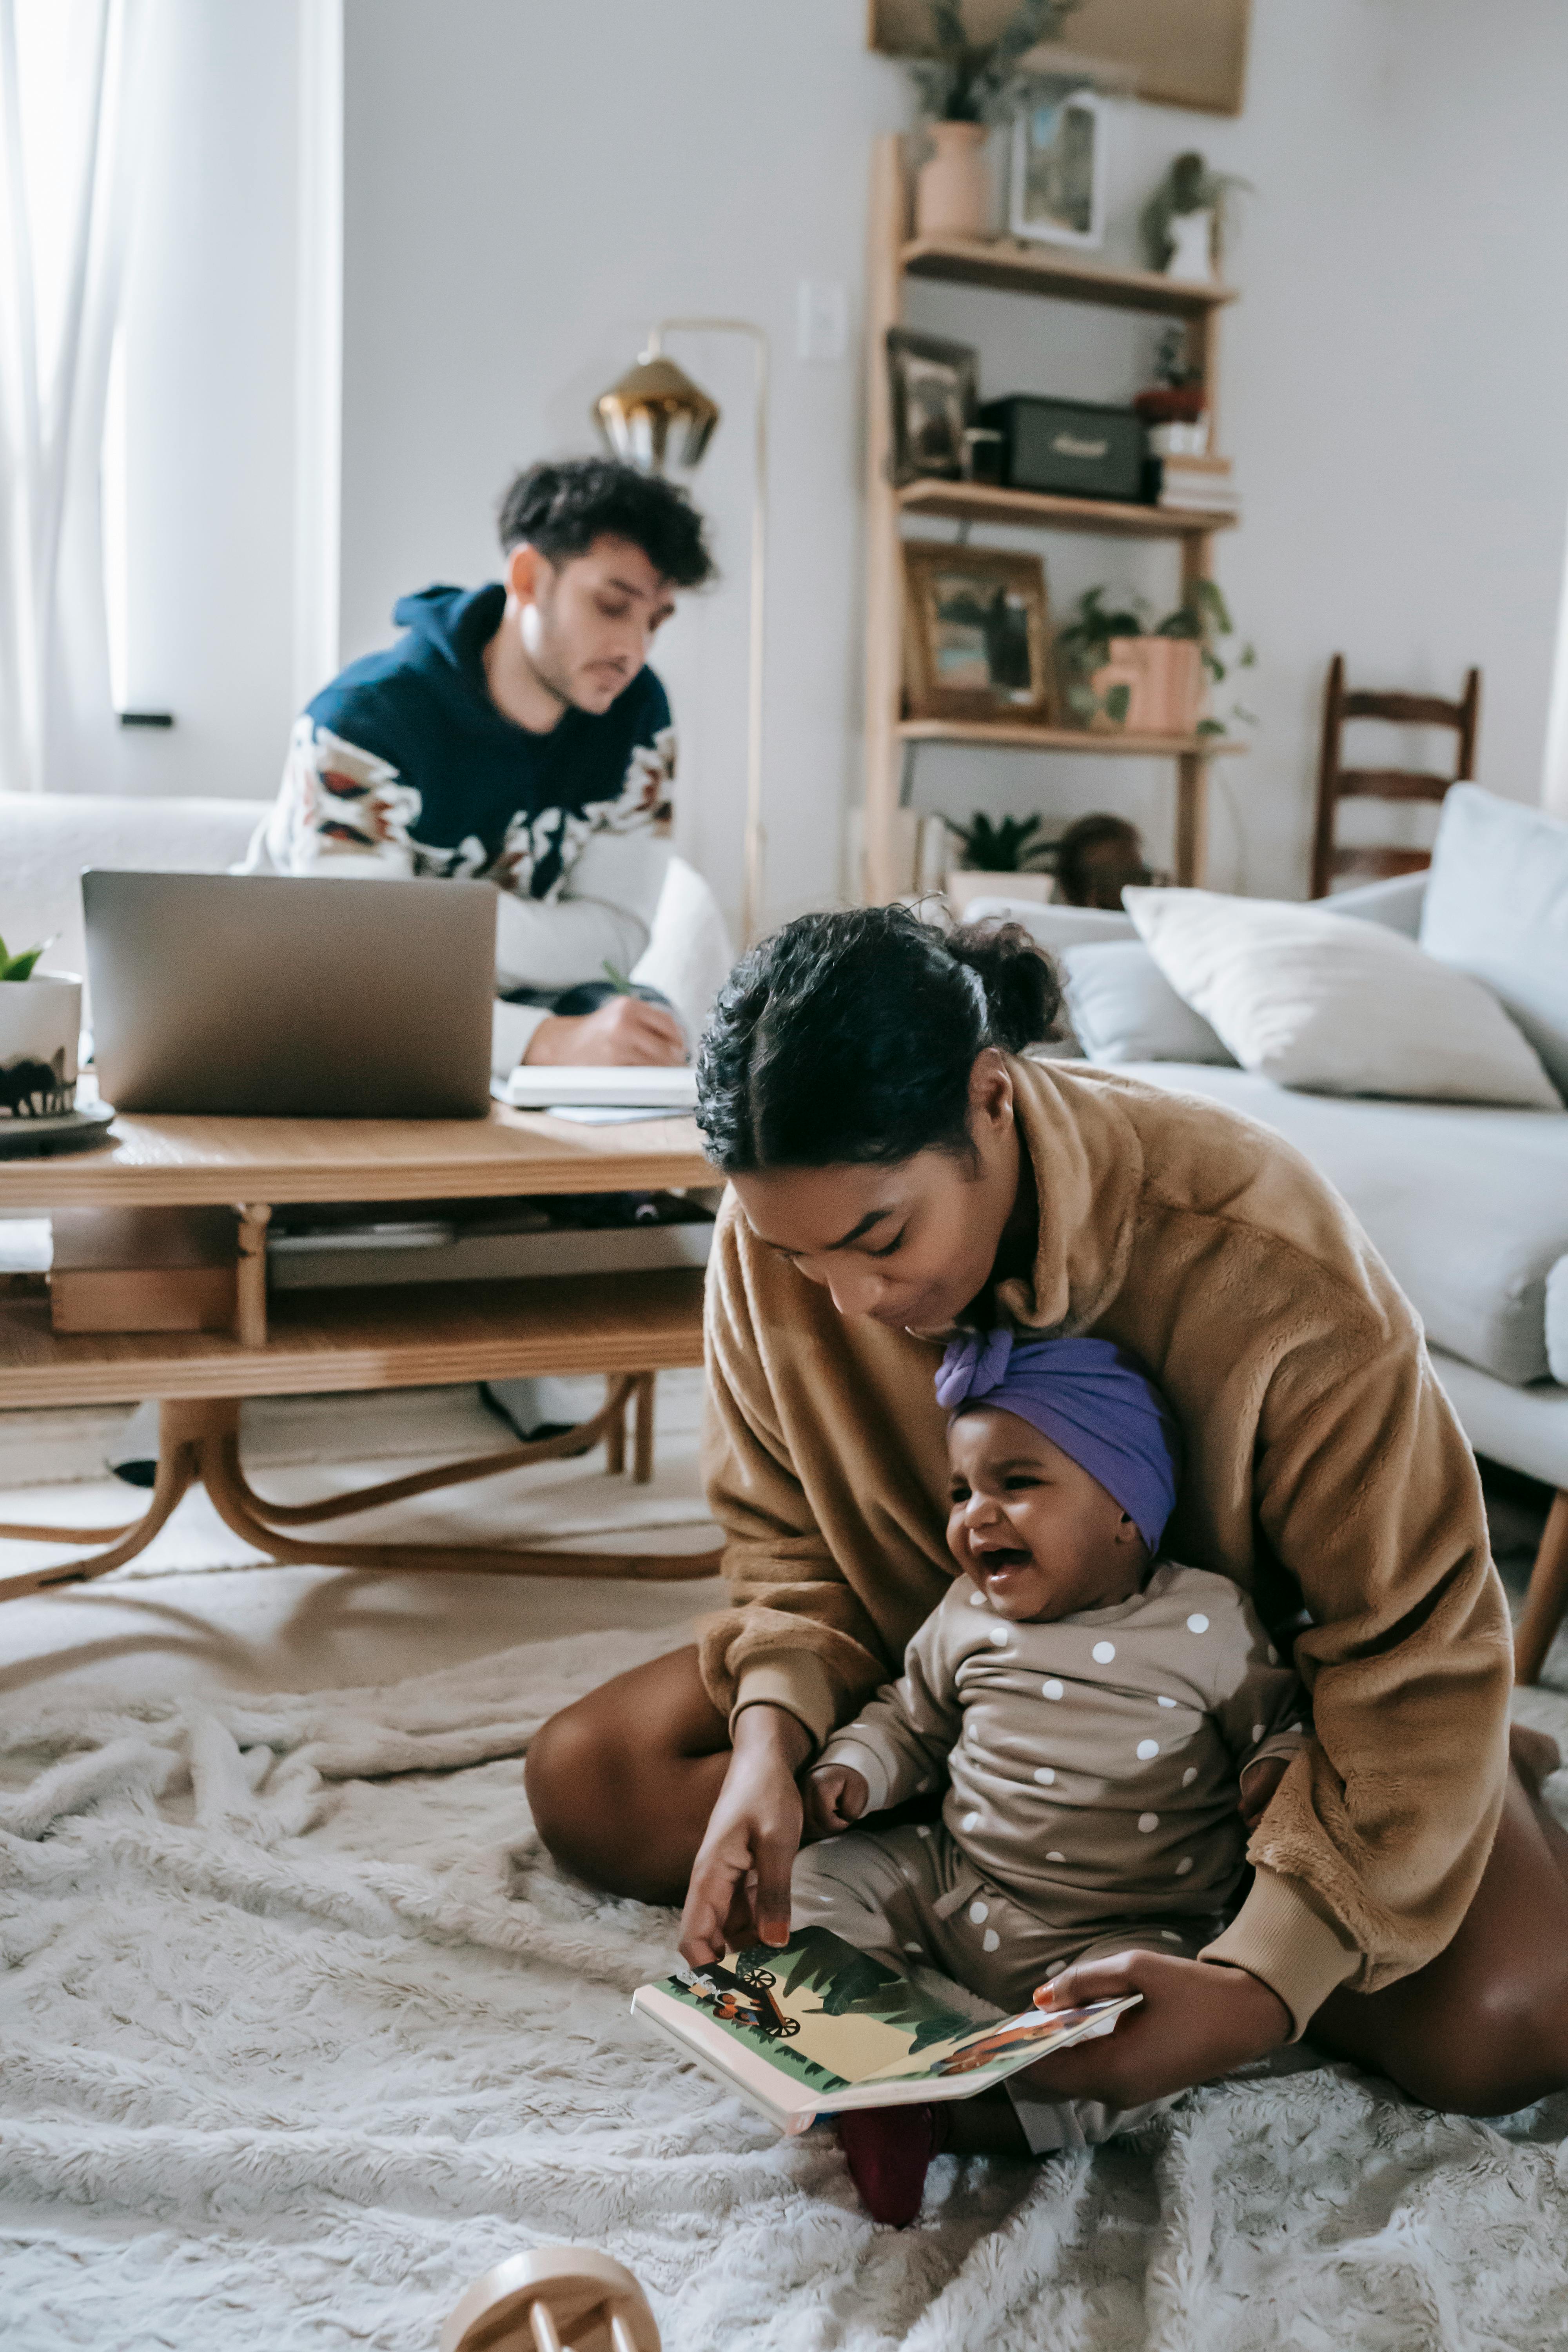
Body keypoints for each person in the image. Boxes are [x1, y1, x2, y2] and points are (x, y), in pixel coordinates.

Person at [525, 905, 1568, 2145]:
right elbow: (787, 1555)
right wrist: (769, 1747)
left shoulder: (1263, 1246)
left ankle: (1466, 1789)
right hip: (941, 1672)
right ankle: (991, 1813)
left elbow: (1414, 1637)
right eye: (798, 1255)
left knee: (1506, 2024)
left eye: (880, 1238)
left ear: (991, 1099)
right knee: (590, 1781)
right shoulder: (782, 1241)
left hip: (1252, 1730)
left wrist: (1258, 1986)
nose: (852, 1300)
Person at [786, 1327, 1305, 2223]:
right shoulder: (964, 1614)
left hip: (1125, 1928)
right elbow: (910, 1717)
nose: (974, 1516)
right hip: (959, 1884)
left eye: (1014, 1484)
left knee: (1150, 2044)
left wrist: (1274, 1773)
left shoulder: (1206, 1620)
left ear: (1124, 1507)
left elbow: (1279, 1722)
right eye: (961, 1493)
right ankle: (862, 2062)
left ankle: (953, 2120)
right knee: (820, 1877)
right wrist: (857, 1771)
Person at [246, 456, 715, 1074]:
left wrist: (420, 921)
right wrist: (540, 1041)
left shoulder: (638, 714)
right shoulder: (360, 724)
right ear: (527, 578)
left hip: (503, 1000)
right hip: (311, 1001)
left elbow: (617, 938)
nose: (634, 649)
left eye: (655, 621)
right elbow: (357, 964)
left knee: (651, 1031)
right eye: (611, 605)